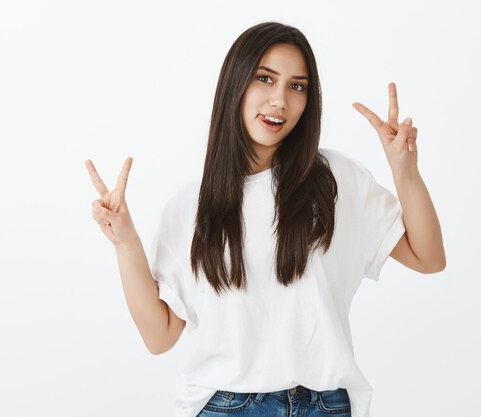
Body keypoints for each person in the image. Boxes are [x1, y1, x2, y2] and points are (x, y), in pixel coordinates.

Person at [85, 21, 445, 417]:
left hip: (326, 405)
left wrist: (404, 171)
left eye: (297, 86)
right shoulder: (192, 205)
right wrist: (125, 241)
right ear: (235, 84)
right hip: (229, 406)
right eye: (265, 79)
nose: (280, 100)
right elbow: (159, 336)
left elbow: (428, 258)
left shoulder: (335, 179)